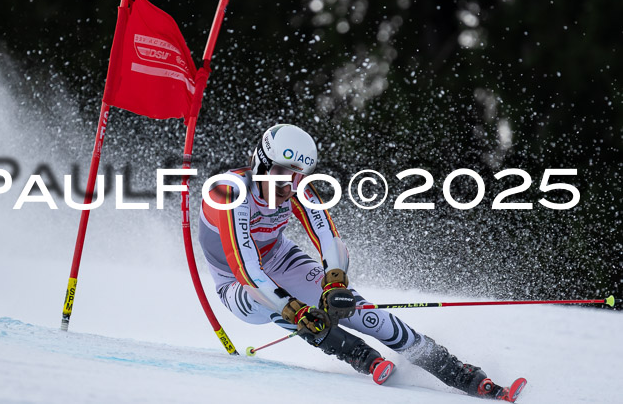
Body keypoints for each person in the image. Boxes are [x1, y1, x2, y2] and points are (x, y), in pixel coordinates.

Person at [198, 124, 521, 401]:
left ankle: (460, 374)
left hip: (281, 260)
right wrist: (294, 308)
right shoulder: (229, 191)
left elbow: (329, 238)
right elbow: (247, 270)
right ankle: (359, 355)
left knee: (358, 310)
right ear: (261, 164)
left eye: (297, 177)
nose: (288, 186)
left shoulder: (296, 189)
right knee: (284, 307)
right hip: (237, 282)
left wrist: (335, 281)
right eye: (281, 174)